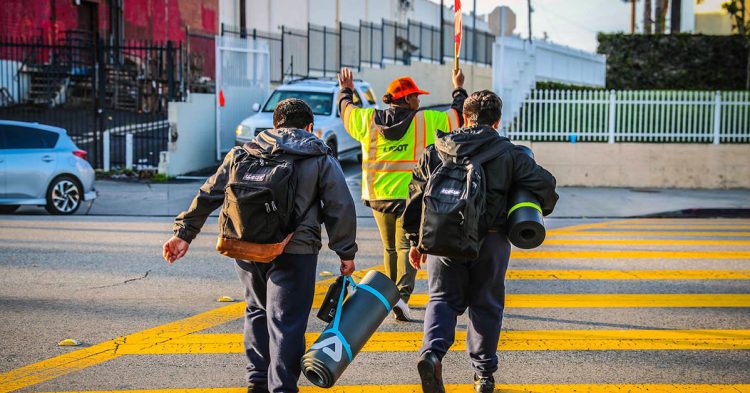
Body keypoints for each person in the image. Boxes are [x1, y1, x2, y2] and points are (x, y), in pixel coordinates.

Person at [162, 98, 358, 393]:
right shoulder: (319, 156)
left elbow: (210, 191)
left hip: (246, 244)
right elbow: (339, 205)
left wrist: (183, 233)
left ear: (275, 124)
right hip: (296, 250)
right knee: (286, 322)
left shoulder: (244, 151)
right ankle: (282, 388)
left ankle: (256, 383)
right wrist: (346, 252)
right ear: (309, 127)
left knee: (256, 310)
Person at [402, 90, 558, 393]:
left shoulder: (439, 147)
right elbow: (546, 185)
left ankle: (432, 354)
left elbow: (416, 194)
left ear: (464, 116)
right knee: (486, 304)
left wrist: (414, 240)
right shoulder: (508, 153)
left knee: (442, 299)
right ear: (497, 121)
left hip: (442, 238)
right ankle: (483, 375)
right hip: (492, 240)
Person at [337, 67, 468, 321]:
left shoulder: (368, 120)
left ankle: (390, 297)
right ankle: (402, 297)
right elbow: (457, 116)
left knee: (389, 248)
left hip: (378, 195)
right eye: (416, 96)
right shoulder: (425, 120)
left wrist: (346, 90)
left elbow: (346, 112)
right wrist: (458, 86)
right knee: (406, 244)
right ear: (407, 99)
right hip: (410, 196)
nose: (419, 100)